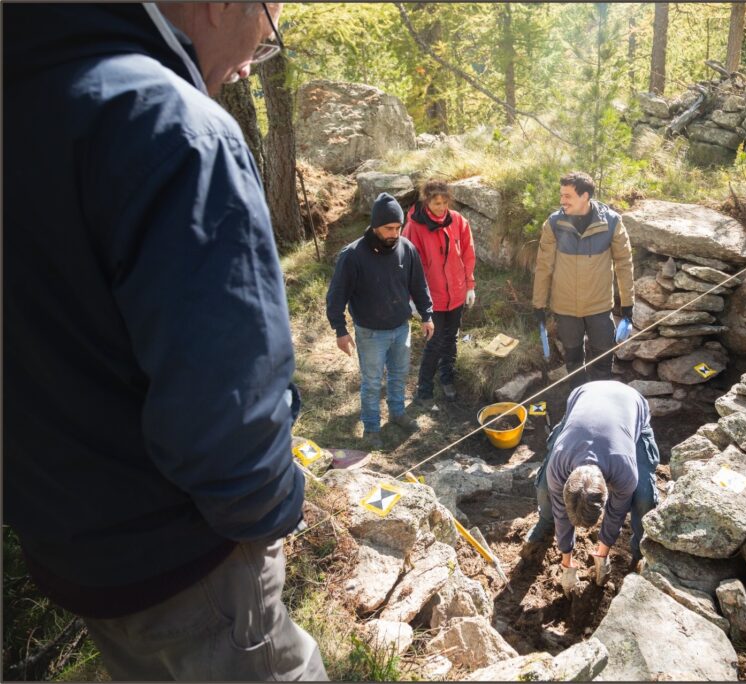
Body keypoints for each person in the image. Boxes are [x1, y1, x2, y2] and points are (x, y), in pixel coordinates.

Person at [4, 3, 326, 680]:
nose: (257, 56)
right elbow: (227, 410)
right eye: (272, 23)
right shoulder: (176, 130)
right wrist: (277, 506)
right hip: (186, 560)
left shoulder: (26, 91)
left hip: (71, 550)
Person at [520, 381, 660, 592]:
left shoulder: (624, 470)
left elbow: (616, 512)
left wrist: (602, 554)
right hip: (585, 397)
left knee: (644, 498)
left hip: (630, 405)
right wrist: (567, 562)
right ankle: (545, 522)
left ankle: (640, 549)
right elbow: (562, 511)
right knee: (544, 487)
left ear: (606, 492)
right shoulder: (559, 465)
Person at [326, 192, 434, 450]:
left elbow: (419, 285)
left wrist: (427, 314)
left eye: (398, 228)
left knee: (399, 375)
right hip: (370, 332)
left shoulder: (407, 248)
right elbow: (336, 296)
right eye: (388, 228)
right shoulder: (352, 255)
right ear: (375, 225)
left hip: (401, 328)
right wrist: (340, 330)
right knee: (372, 382)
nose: (394, 234)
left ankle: (397, 413)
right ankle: (372, 427)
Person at [532, 171, 635, 388]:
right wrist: (538, 305)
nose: (562, 201)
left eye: (568, 196)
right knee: (573, 360)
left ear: (585, 196)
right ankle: (578, 398)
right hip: (565, 308)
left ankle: (600, 400)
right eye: (561, 195)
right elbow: (543, 267)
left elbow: (624, 265)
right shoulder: (554, 223)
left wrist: (628, 308)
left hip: (599, 308)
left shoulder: (612, 222)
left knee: (603, 359)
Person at [404, 179, 477, 403]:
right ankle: (424, 389)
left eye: (445, 202)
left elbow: (467, 253)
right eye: (437, 203)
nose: (442, 207)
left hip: (456, 293)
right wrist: (413, 299)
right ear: (426, 202)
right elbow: (407, 265)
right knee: (434, 342)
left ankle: (447, 379)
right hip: (430, 297)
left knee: (451, 339)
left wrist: (470, 285)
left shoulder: (458, 221)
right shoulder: (414, 228)